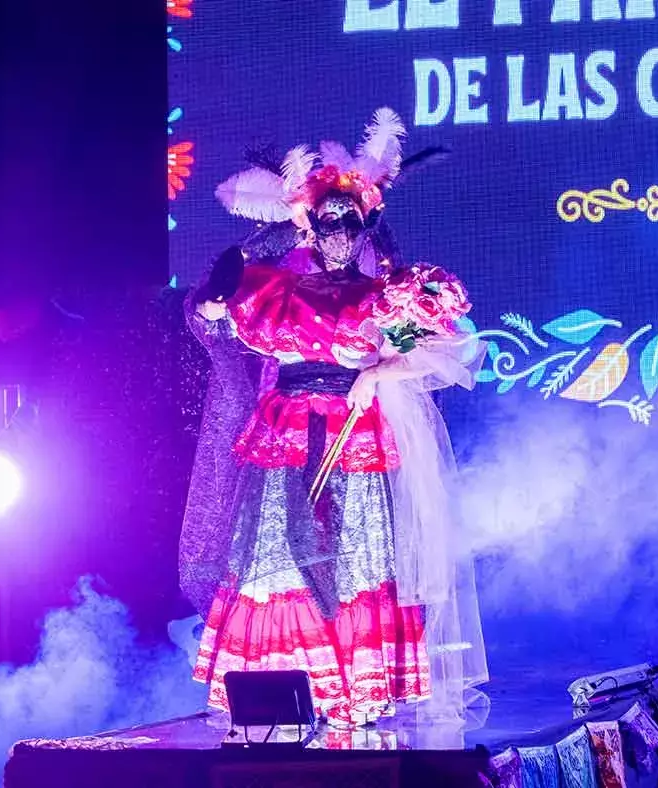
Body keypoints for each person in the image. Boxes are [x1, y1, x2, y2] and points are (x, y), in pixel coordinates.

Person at [181, 108, 487, 729]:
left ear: (366, 224)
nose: (338, 233)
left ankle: (352, 688)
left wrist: (378, 373)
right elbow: (212, 321)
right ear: (309, 226)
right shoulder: (274, 289)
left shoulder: (388, 294)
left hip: (354, 434)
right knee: (277, 555)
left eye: (349, 222)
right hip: (288, 431)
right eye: (328, 222)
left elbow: (442, 348)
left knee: (353, 559)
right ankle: (279, 689)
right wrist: (214, 301)